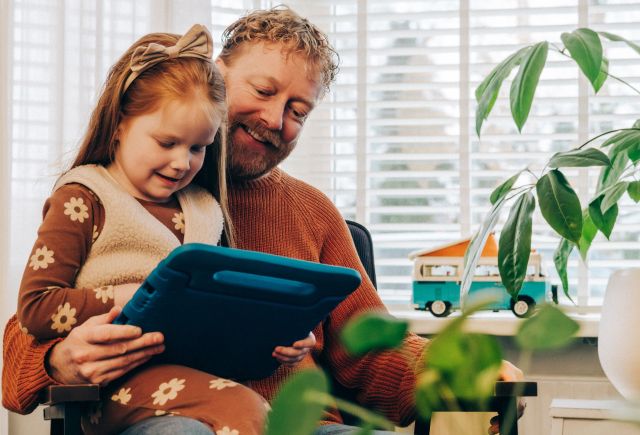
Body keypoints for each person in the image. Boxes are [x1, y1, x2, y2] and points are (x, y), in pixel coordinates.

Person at [3, 7, 522, 435]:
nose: (276, 120)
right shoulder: (119, 192)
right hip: (164, 413)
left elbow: (369, 344)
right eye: (264, 91)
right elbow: (26, 331)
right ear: (216, 77)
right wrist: (57, 361)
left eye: (299, 110)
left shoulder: (309, 211)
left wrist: (458, 365)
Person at [6, 23, 319, 435]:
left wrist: (278, 345)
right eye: (167, 142)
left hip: (202, 383)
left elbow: (227, 341)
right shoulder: (85, 198)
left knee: (247, 409)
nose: (181, 163)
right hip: (117, 390)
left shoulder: (207, 210)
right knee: (245, 412)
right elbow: (35, 310)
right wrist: (121, 300)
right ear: (119, 125)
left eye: (197, 148)